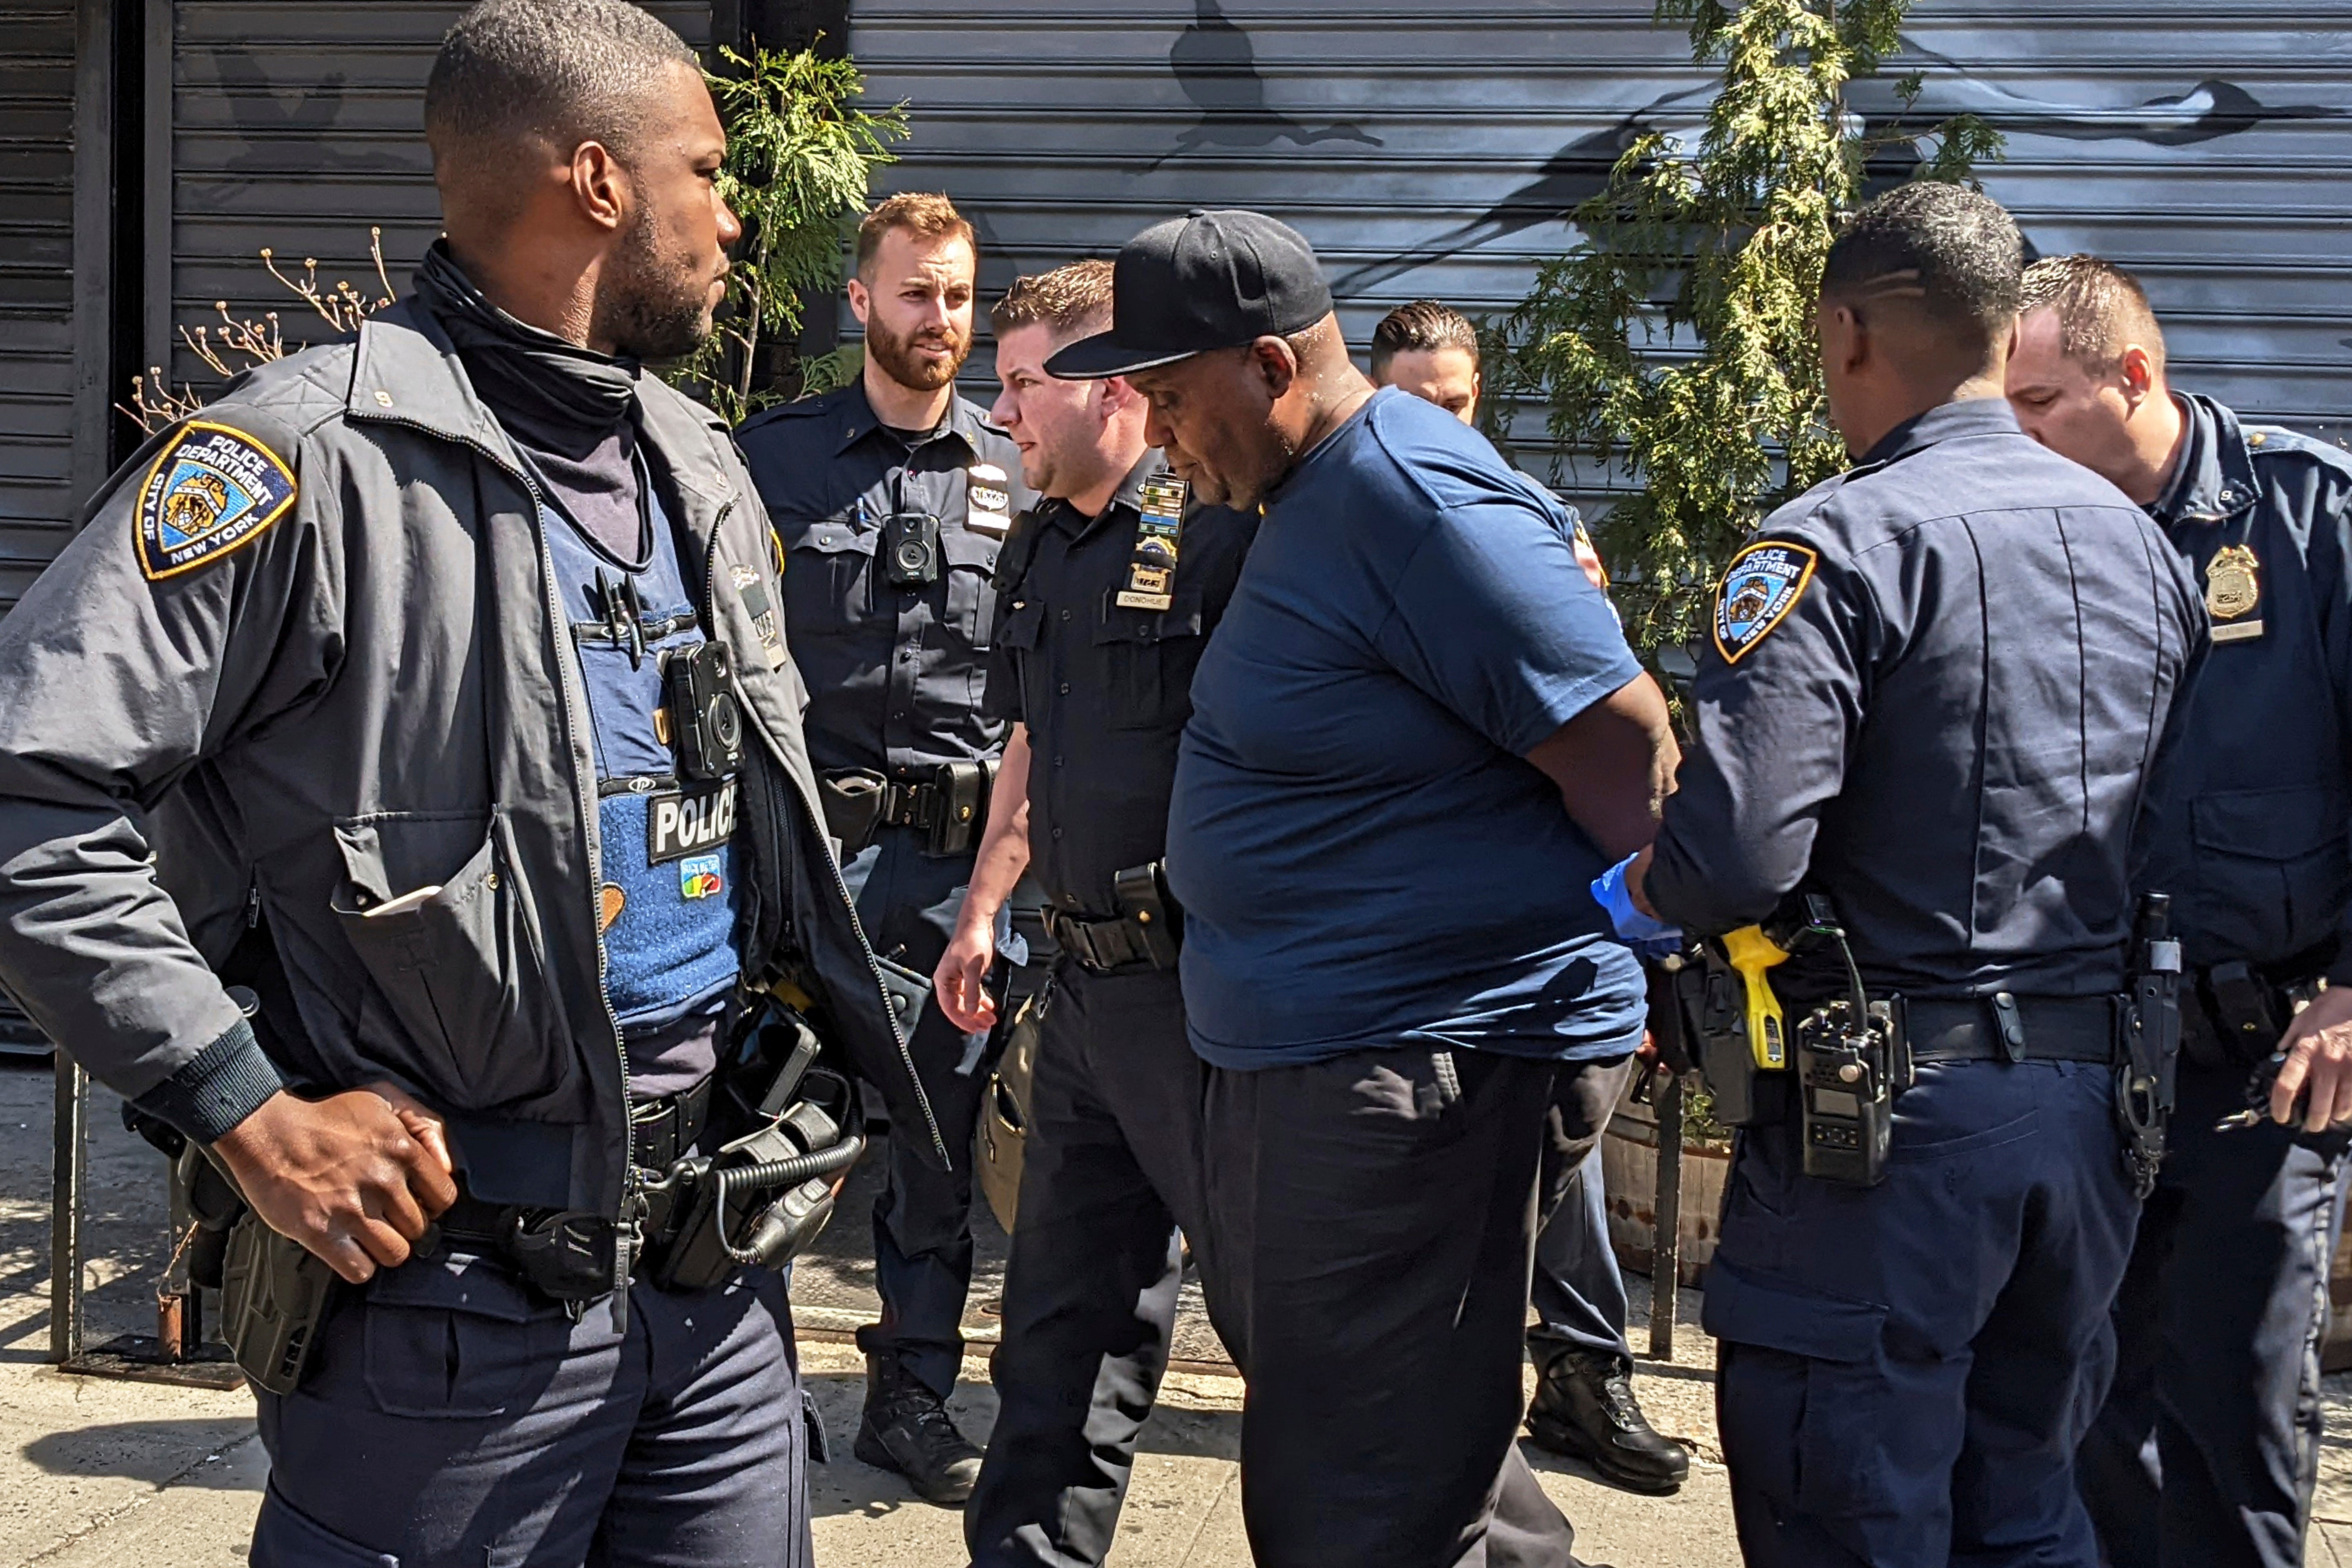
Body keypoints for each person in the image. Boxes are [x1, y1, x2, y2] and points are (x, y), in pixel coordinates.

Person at [0, 2, 930, 1562]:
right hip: (445, 1318)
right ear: (598, 182)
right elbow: (33, 798)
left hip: (718, 1296)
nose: (735, 210)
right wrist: (246, 1113)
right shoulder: (303, 463)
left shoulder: (699, 461)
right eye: (705, 168)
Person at [1049, 208, 1678, 1568]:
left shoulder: (1411, 495)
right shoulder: (1308, 495)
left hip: (1422, 1064)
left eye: (1172, 397)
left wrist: (1628, 964)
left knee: (1357, 1501)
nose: (1158, 433)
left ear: (1273, 367)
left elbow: (1630, 749)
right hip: (1351, 1052)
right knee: (1412, 1462)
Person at [1624, 183, 2206, 1567]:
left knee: (1852, 1512)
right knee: (2026, 1507)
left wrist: (1640, 893)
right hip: (2092, 1123)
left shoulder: (1831, 547)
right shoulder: (2145, 544)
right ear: (2009, 340)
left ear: (1845, 335)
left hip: (1887, 1142)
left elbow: (1739, 855)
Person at [2007, 254, 2352, 1568]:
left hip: (2264, 1062)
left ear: (2133, 376)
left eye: (2039, 401)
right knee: (2087, 1404)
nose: (2016, 430)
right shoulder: (2032, 530)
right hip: (2085, 1049)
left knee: (2236, 1411)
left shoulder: (2307, 517)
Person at [933, 258, 1259, 1568]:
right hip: (1074, 991)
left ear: (1108, 387)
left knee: (1284, 1321)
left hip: (1199, 1004)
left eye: (1019, 386)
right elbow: (1033, 744)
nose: (999, 412)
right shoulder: (1041, 544)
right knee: (1058, 1327)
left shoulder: (1225, 536)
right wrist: (981, 910)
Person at [736, 191, 1038, 1505]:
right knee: (759, 1131)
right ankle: (752, 1399)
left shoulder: (1017, 466)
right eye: (917, 293)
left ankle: (911, 1398)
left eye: (961, 295)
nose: (943, 320)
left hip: (952, 878)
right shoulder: (769, 462)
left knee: (935, 1147)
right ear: (861, 302)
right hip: (804, 862)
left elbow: (1045, 693)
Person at [1372, 296, 1687, 1494]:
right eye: (1414, 402)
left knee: (1559, 1136)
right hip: (1404, 900)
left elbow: (1596, 711)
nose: (1440, 421)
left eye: (1456, 402)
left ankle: (1581, 1373)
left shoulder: (1533, 523)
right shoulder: (1339, 517)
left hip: (1531, 897)